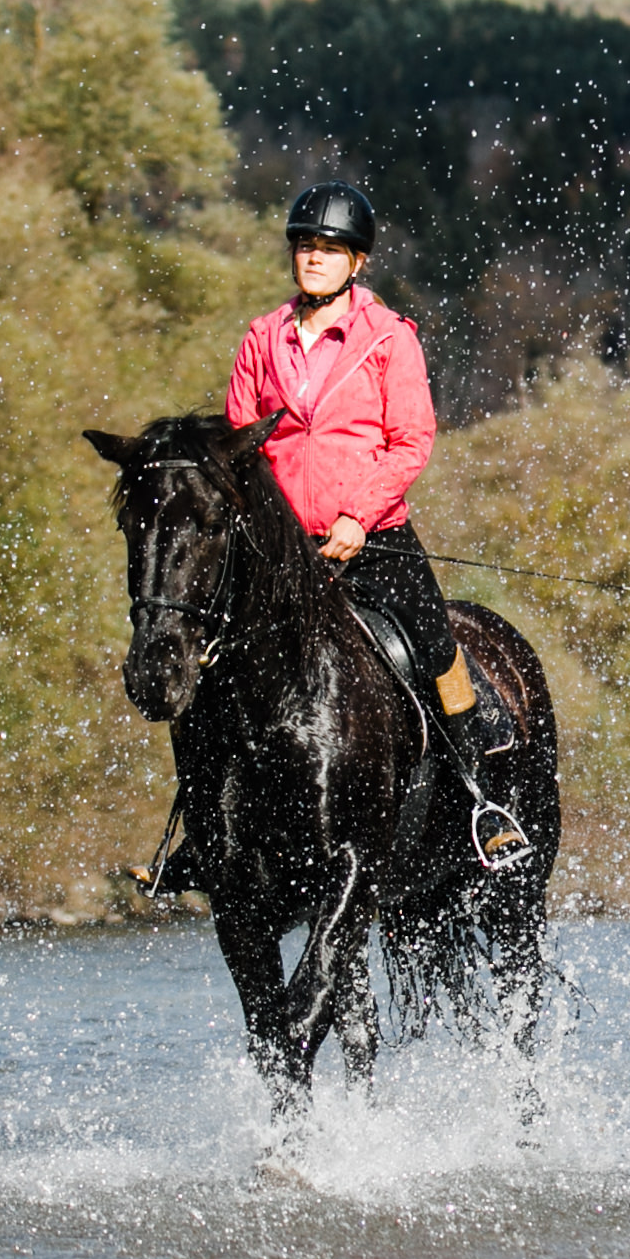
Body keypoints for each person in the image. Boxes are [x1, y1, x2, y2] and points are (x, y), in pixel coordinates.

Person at [222, 182, 530, 873]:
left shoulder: (388, 340)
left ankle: (482, 802)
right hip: (281, 548)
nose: (314, 258)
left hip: (372, 536)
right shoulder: (260, 338)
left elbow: (410, 440)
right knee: (211, 649)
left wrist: (356, 517)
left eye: (329, 250)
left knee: (432, 645)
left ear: (355, 262)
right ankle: (200, 826)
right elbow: (240, 442)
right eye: (305, 247)